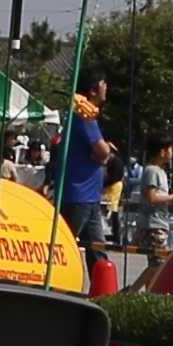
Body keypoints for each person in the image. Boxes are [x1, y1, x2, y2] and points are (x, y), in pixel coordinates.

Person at [56, 76, 117, 247]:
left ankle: (99, 273)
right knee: (65, 244)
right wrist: (106, 150)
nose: (106, 86)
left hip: (89, 195)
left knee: (97, 247)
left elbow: (99, 153)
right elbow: (103, 152)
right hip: (79, 195)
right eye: (103, 83)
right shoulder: (84, 115)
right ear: (93, 90)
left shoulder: (83, 115)